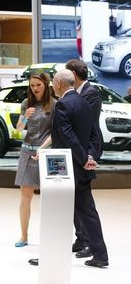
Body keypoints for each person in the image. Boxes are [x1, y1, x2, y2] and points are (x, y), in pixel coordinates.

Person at [50, 69, 108, 268]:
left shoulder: (63, 104)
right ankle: (100, 255)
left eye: (52, 81)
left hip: (65, 167)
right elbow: (94, 134)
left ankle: (51, 257)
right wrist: (90, 156)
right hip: (82, 167)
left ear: (59, 83)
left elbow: (67, 136)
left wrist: (84, 158)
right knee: (87, 212)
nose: (52, 85)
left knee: (57, 211)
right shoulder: (84, 102)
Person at [66, 59, 103, 257]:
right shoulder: (76, 94)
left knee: (84, 201)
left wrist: (87, 154)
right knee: (74, 199)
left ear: (73, 73)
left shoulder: (91, 94)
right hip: (75, 152)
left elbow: (87, 127)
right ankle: (81, 239)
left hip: (86, 151)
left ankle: (89, 242)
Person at [14, 72, 56, 247]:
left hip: (45, 153)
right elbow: (18, 130)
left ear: (46, 85)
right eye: (32, 85)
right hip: (27, 153)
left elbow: (55, 132)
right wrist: (25, 117)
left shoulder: (54, 104)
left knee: (50, 198)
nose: (35, 88)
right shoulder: (26, 104)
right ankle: (24, 236)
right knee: (25, 196)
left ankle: (50, 236)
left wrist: (43, 148)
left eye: (38, 85)